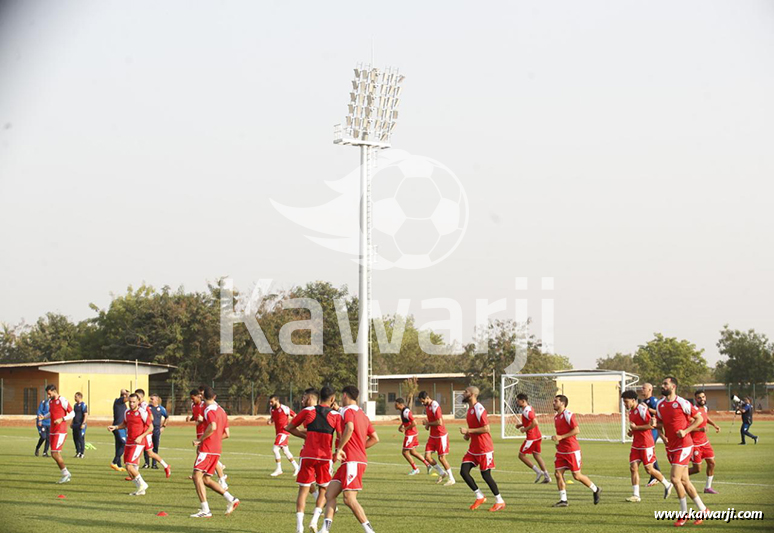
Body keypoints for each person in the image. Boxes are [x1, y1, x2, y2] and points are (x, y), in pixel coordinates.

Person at [319, 386, 379, 533]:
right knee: (329, 494)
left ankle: (370, 531)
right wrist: (359, 449)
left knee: (349, 498)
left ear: (345, 395)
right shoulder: (362, 414)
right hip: (352, 461)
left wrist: (340, 448)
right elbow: (375, 438)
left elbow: (350, 427)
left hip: (352, 462)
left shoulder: (347, 411)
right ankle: (324, 530)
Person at [286, 387, 342, 533]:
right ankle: (315, 520)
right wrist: (338, 451)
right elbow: (340, 436)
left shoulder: (308, 411)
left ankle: (299, 527)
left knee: (303, 491)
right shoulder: (335, 415)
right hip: (325, 457)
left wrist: (306, 436)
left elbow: (289, 428)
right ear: (332, 399)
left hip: (308, 455)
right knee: (324, 489)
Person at [655, 376, 709, 526]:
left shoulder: (682, 403)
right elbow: (659, 423)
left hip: (684, 445)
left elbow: (699, 419)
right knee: (684, 480)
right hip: (671, 446)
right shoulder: (660, 404)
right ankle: (703, 509)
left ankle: (684, 514)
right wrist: (661, 434)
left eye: (665, 384)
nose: (662, 386)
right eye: (662, 383)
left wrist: (686, 431)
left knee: (675, 479)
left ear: (673, 386)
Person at [190, 386, 240, 517]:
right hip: (216, 449)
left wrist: (201, 439)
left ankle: (205, 510)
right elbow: (227, 434)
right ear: (215, 396)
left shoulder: (208, 410)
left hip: (207, 449)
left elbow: (213, 426)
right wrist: (215, 439)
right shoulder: (222, 411)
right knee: (206, 479)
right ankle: (231, 499)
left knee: (196, 476)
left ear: (202, 396)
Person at [459, 386, 505, 512]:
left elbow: (486, 428)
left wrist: (468, 431)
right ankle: (479, 496)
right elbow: (475, 428)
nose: (463, 393)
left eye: (466, 391)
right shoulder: (470, 410)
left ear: (473, 394)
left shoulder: (479, 408)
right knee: (464, 471)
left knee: (486, 475)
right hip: (474, 448)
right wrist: (468, 435)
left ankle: (500, 501)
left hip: (484, 448)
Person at [621, 390, 672, 502]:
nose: (625, 404)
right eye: (624, 402)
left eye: (626, 402)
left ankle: (667, 484)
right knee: (633, 468)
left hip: (646, 444)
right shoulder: (631, 412)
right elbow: (636, 427)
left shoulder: (642, 409)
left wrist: (636, 428)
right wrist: (632, 432)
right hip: (636, 444)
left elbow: (652, 425)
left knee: (649, 469)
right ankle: (636, 495)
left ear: (633, 400)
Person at [551, 394, 601, 507]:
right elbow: (561, 433)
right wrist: (559, 443)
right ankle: (563, 500)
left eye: (556, 401)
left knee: (577, 476)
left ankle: (596, 489)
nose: (553, 403)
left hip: (572, 450)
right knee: (558, 474)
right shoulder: (556, 417)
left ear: (562, 403)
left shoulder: (568, 414)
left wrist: (561, 437)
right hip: (561, 451)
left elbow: (576, 430)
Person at [108, 393, 152, 495]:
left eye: (133, 402)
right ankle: (140, 489)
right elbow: (125, 424)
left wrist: (141, 436)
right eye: (130, 402)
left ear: (138, 402)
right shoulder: (127, 412)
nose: (131, 404)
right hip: (129, 442)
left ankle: (143, 484)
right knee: (128, 468)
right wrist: (115, 427)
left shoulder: (142, 412)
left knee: (129, 465)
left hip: (138, 443)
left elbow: (151, 427)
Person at [37, 384, 74, 484]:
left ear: (54, 391)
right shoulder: (50, 401)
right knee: (54, 453)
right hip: (53, 430)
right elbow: (51, 413)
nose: (48, 396)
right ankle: (65, 474)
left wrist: (62, 419)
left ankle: (66, 474)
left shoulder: (62, 400)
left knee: (54, 453)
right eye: (47, 394)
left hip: (60, 430)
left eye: (49, 394)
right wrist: (44, 417)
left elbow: (72, 413)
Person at [418, 391, 455, 486]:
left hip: (440, 435)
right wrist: (428, 425)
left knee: (441, 458)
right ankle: (442, 473)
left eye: (423, 401)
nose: (422, 403)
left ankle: (451, 478)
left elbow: (439, 422)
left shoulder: (435, 405)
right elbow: (431, 421)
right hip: (432, 436)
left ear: (427, 398)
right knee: (427, 457)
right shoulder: (427, 407)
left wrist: (428, 423)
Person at [514, 393, 550, 483]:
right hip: (538, 436)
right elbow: (529, 421)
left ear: (523, 401)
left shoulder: (527, 411)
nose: (517, 403)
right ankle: (547, 477)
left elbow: (535, 422)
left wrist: (525, 429)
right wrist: (521, 425)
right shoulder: (529, 408)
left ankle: (538, 472)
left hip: (532, 438)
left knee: (521, 455)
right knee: (536, 455)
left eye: (518, 401)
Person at [688, 390, 720, 494]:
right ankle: (677, 476)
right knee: (697, 469)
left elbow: (705, 417)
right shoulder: (693, 410)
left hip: (705, 442)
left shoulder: (705, 408)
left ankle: (708, 488)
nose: (702, 399)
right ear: (695, 399)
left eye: (703, 397)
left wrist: (714, 425)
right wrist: (700, 429)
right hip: (695, 444)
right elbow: (687, 428)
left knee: (712, 463)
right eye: (699, 398)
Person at [134, 389, 171, 477]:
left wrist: (146, 421)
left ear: (141, 397)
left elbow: (151, 417)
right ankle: (135, 473)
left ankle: (164, 466)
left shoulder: (144, 405)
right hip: (144, 432)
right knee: (142, 452)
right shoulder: (140, 405)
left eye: (137, 396)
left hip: (147, 432)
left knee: (148, 452)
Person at [394, 397, 431, 475]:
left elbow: (414, 423)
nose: (395, 405)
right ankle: (428, 464)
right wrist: (401, 426)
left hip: (410, 434)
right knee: (413, 452)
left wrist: (405, 429)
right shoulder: (403, 411)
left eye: (396, 404)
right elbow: (406, 420)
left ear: (400, 404)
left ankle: (415, 469)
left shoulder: (406, 411)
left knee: (405, 452)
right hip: (412, 433)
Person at [268, 394, 300, 477]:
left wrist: (292, 425)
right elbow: (273, 417)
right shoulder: (272, 409)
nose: (270, 403)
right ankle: (297, 467)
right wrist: (270, 420)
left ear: (277, 401)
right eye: (270, 402)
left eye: (272, 402)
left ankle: (279, 469)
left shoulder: (284, 408)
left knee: (275, 449)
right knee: (286, 451)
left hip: (284, 432)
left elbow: (295, 416)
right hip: (278, 432)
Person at [640, 382, 664, 487]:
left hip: (653, 429)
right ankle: (655, 474)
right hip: (647, 429)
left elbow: (659, 413)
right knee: (648, 451)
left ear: (650, 390)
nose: (642, 390)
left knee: (648, 450)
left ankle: (655, 475)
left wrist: (648, 408)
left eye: (644, 388)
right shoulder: (644, 401)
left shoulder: (653, 400)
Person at [148, 394, 168, 470]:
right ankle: (146, 463)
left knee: (155, 447)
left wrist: (163, 427)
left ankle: (154, 464)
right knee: (147, 447)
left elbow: (167, 417)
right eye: (150, 399)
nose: (150, 400)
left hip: (156, 429)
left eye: (152, 399)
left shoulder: (161, 409)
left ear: (156, 400)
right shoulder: (148, 407)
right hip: (148, 430)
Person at [110, 389, 128, 471]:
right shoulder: (119, 401)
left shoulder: (123, 404)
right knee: (123, 443)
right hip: (118, 427)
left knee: (118, 445)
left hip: (122, 427)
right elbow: (128, 398)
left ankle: (119, 465)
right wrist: (127, 393)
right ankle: (114, 462)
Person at [71, 392, 88, 458]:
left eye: (76, 397)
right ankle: (78, 452)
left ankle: (82, 453)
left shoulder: (83, 405)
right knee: (75, 439)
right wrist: (72, 422)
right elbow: (74, 415)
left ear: (79, 397)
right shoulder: (75, 405)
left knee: (81, 438)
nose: (74, 398)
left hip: (80, 424)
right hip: (75, 424)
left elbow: (85, 415)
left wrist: (83, 423)